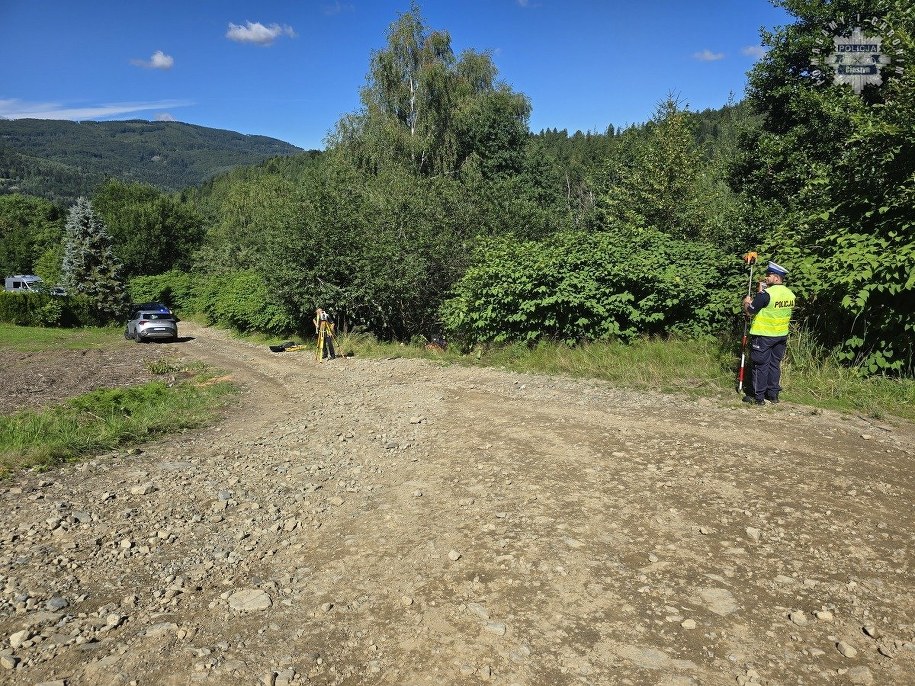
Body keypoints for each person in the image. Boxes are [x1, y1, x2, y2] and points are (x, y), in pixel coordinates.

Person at [742, 261, 795, 405]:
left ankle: (757, 398)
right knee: (774, 365)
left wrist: (746, 302)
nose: (766, 277)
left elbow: (750, 310)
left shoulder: (766, 295)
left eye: (769, 275)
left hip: (764, 335)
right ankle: (773, 395)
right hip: (781, 335)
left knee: (760, 365)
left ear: (776, 278)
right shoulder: (790, 294)